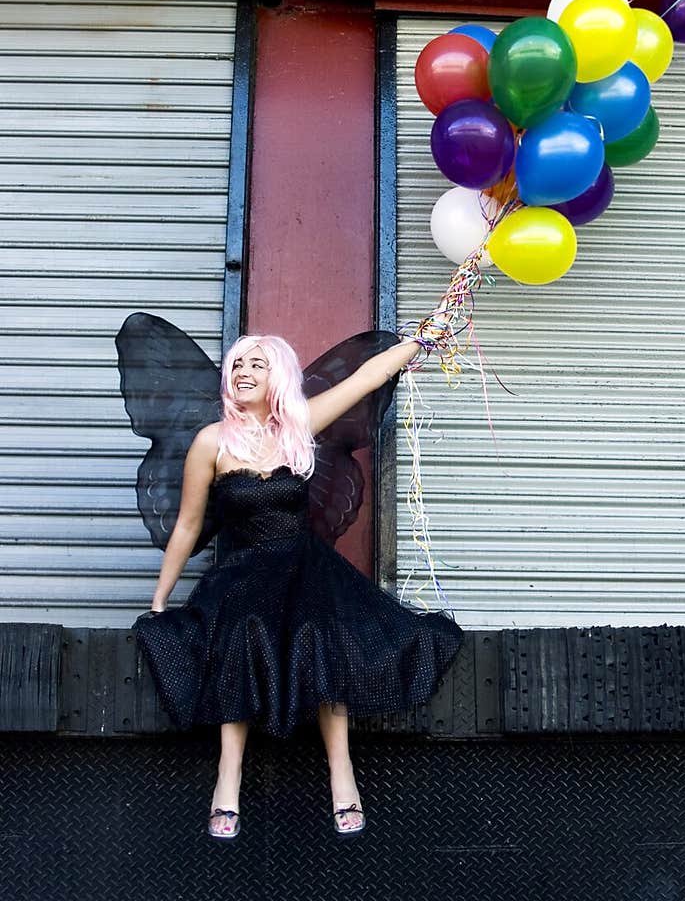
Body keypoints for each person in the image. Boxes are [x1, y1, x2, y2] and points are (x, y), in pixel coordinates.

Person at [133, 327, 462, 841]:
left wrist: (417, 344)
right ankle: (228, 780)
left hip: (307, 568)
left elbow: (365, 377)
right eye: (238, 364)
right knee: (240, 637)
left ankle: (342, 776)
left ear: (277, 377)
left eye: (257, 365)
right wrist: (160, 599)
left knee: (322, 636)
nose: (243, 373)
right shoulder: (211, 442)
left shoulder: (299, 426)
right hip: (244, 574)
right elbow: (188, 526)